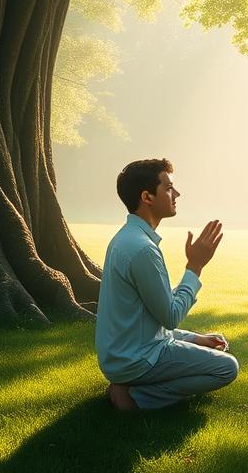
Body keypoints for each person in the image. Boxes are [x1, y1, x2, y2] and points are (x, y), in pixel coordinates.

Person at [95, 157, 239, 411]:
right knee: (226, 367)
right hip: (136, 361)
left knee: (216, 356)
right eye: (169, 187)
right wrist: (195, 266)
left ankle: (127, 386)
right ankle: (136, 397)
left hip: (122, 356)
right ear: (147, 197)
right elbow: (170, 316)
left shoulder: (127, 239)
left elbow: (148, 319)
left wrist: (196, 339)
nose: (177, 193)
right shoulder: (142, 249)